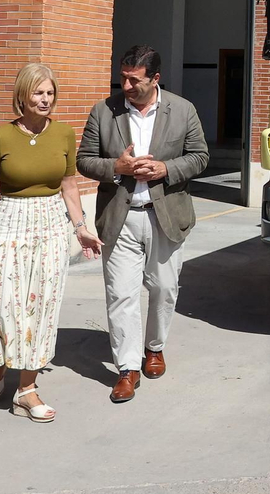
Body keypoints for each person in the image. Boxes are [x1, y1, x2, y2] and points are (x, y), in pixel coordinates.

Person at [0, 64, 103, 422]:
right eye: (38, 93)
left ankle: (26, 390)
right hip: (10, 221)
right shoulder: (0, 137)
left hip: (50, 225)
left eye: (50, 93)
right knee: (3, 303)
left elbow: (69, 186)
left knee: (41, 307)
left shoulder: (63, 133)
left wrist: (81, 227)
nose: (45, 99)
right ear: (22, 96)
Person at [77, 45, 209, 403]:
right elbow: (84, 160)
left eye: (134, 80)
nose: (126, 86)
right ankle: (127, 368)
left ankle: (154, 347)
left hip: (166, 216)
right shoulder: (104, 111)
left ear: (155, 79)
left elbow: (200, 157)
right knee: (121, 294)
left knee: (164, 289)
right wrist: (115, 167)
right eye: (123, 78)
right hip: (120, 218)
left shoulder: (183, 110)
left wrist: (166, 169)